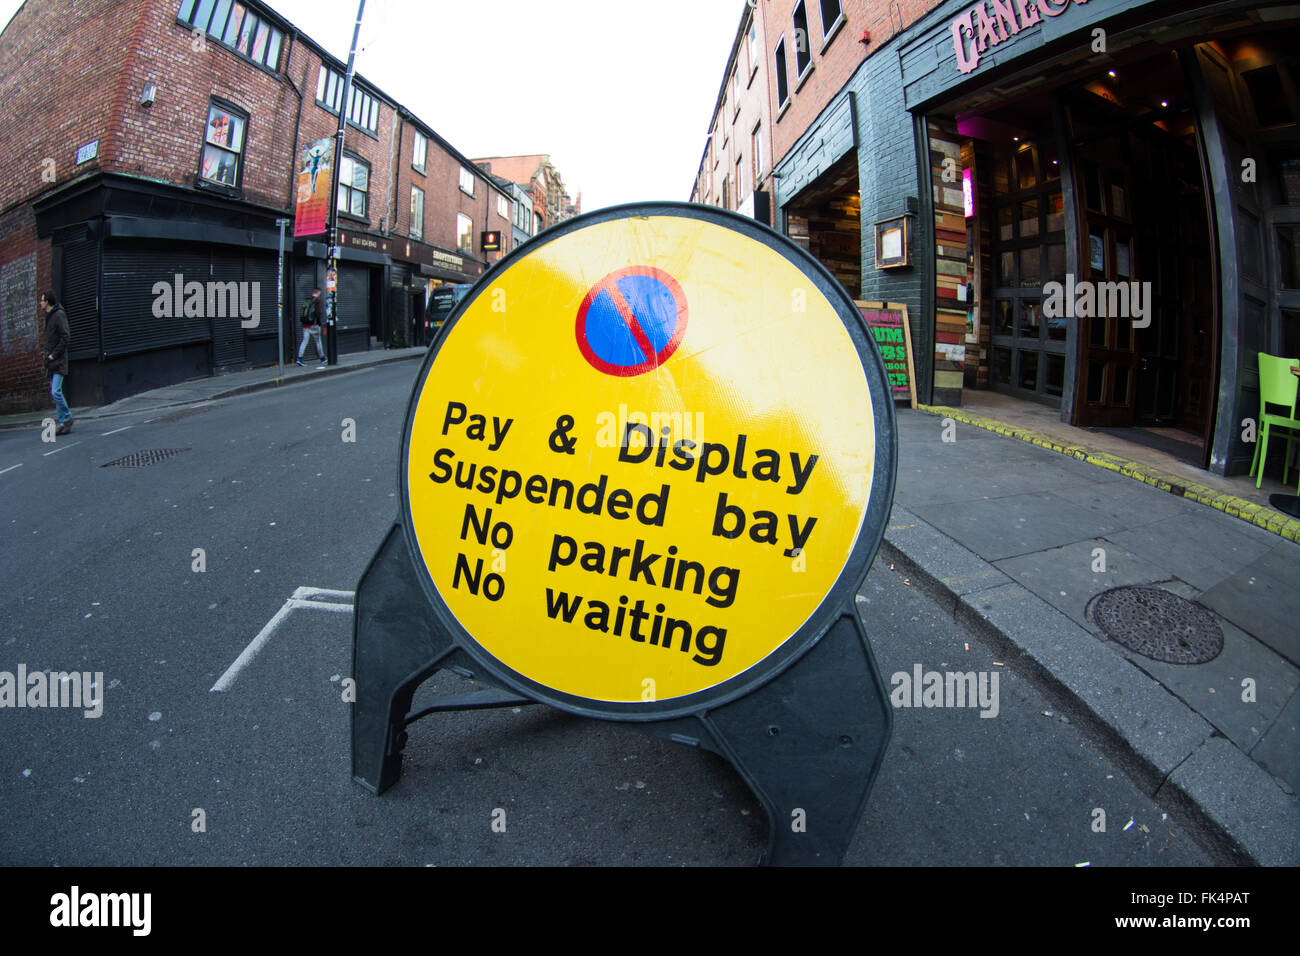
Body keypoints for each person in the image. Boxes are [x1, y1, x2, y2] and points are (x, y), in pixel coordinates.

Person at [42, 292, 72, 435]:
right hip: (51, 362)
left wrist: (54, 354)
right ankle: (63, 422)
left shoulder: (59, 315)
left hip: (58, 360)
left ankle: (67, 418)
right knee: (55, 392)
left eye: (42, 301)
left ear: (47, 302)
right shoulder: (48, 317)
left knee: (55, 391)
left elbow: (65, 337)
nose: (40, 303)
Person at [296, 288, 326, 366]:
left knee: (304, 341)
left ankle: (299, 358)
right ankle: (322, 358)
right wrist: (319, 323)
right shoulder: (317, 301)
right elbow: (318, 313)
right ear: (318, 293)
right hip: (314, 325)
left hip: (305, 324)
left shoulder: (307, 300)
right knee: (318, 341)